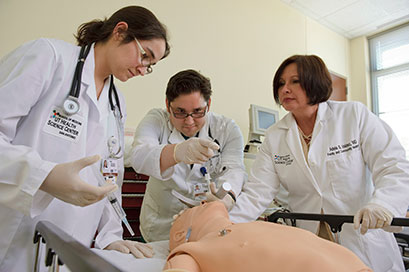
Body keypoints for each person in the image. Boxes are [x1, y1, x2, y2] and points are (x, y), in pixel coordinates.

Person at [0, 6, 170, 271]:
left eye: (150, 66)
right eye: (145, 55)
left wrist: (110, 236)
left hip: (70, 242)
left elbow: (110, 176)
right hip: (15, 229)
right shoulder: (49, 57)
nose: (142, 68)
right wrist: (43, 175)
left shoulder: (116, 103)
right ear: (120, 31)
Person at [228, 55, 409, 272]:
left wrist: (383, 204)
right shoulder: (275, 136)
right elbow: (258, 192)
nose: (285, 89)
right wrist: (224, 223)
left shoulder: (353, 116)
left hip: (362, 240)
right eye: (281, 83)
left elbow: (393, 166)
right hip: (312, 244)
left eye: (295, 81)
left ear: (315, 82)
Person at [129, 69, 247, 242]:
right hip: (160, 226)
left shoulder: (226, 129)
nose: (189, 121)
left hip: (206, 224)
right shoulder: (157, 120)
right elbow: (139, 157)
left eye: (198, 111)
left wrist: (227, 199)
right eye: (180, 112)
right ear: (167, 104)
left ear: (209, 105)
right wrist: (176, 152)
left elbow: (234, 169)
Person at [164, 201, 372, 272]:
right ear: (182, 234)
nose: (201, 203)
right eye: (188, 210)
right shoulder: (194, 250)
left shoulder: (250, 224)